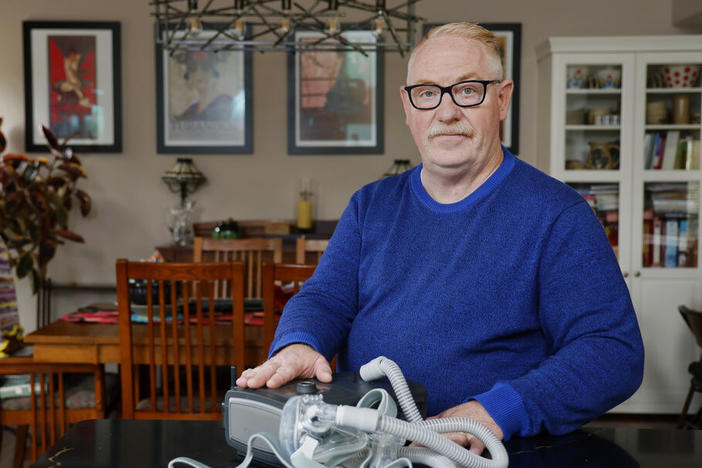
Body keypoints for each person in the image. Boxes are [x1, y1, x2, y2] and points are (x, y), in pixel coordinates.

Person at [237, 22, 644, 453]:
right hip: (367, 450)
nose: (446, 112)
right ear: (408, 106)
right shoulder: (370, 205)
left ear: (502, 99)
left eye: (467, 90)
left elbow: (612, 353)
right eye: (428, 93)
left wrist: (491, 413)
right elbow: (325, 299)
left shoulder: (558, 215)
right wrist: (299, 343)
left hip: (486, 454)